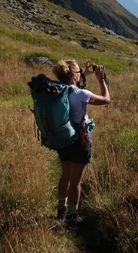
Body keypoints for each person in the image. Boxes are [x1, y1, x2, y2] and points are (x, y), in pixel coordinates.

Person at [51, 58, 110, 224]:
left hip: (62, 138)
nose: (81, 74)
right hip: (80, 140)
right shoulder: (81, 94)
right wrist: (101, 79)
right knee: (76, 181)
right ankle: (71, 217)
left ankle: (61, 210)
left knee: (65, 176)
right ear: (73, 76)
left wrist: (86, 72)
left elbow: (73, 78)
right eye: (78, 73)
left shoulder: (57, 89)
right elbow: (106, 99)